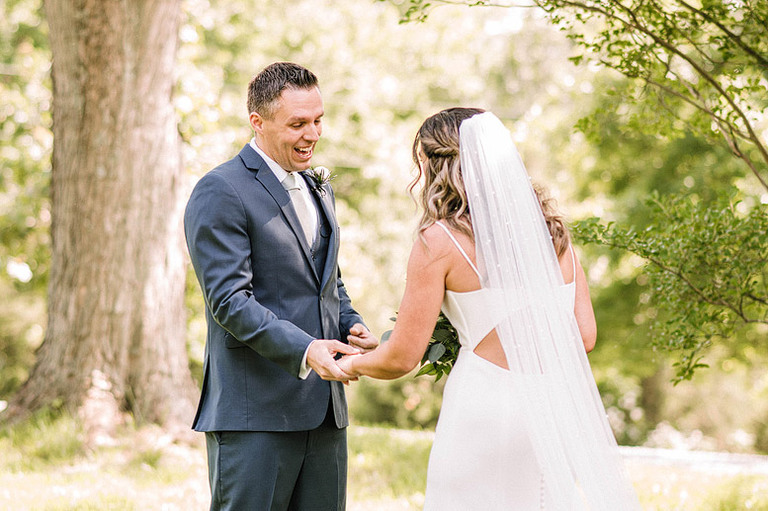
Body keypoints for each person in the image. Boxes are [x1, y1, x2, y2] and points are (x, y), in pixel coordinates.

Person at [337, 108, 640, 509]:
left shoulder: (438, 241)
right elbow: (583, 336)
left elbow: (402, 358)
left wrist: (349, 364)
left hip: (484, 410)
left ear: (432, 163)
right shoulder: (552, 234)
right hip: (549, 412)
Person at [184, 62, 376, 511]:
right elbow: (230, 302)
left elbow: (327, 280)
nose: (313, 134)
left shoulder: (318, 186)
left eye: (318, 120)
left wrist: (352, 325)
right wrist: (309, 350)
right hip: (256, 413)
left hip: (326, 413)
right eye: (298, 124)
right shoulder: (220, 190)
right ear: (258, 122)